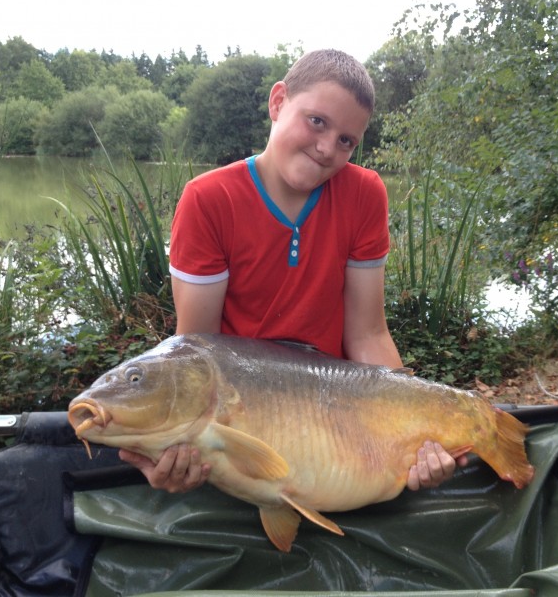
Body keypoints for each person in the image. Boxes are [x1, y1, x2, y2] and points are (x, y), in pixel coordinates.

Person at [119, 49, 467, 494]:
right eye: (317, 121)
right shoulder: (208, 200)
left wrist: (415, 429)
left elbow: (368, 335)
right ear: (278, 101)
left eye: (346, 141)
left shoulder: (364, 194)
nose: (327, 149)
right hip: (242, 416)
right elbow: (197, 353)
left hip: (334, 411)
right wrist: (170, 452)